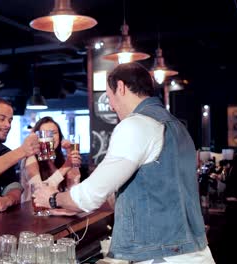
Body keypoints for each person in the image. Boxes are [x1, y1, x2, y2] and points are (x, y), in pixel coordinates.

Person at [34, 63, 215, 263]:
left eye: (109, 96)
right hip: (194, 252)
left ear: (120, 87)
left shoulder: (136, 125)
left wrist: (52, 198)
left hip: (161, 256)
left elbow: (90, 196)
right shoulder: (177, 127)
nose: (111, 105)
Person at [20, 116, 81, 202]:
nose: (50, 137)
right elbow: (39, 192)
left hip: (55, 210)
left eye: (54, 133)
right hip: (34, 212)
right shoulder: (31, 159)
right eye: (44, 133)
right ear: (37, 138)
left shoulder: (58, 159)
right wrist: (66, 166)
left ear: (60, 136)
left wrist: (72, 160)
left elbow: (73, 189)